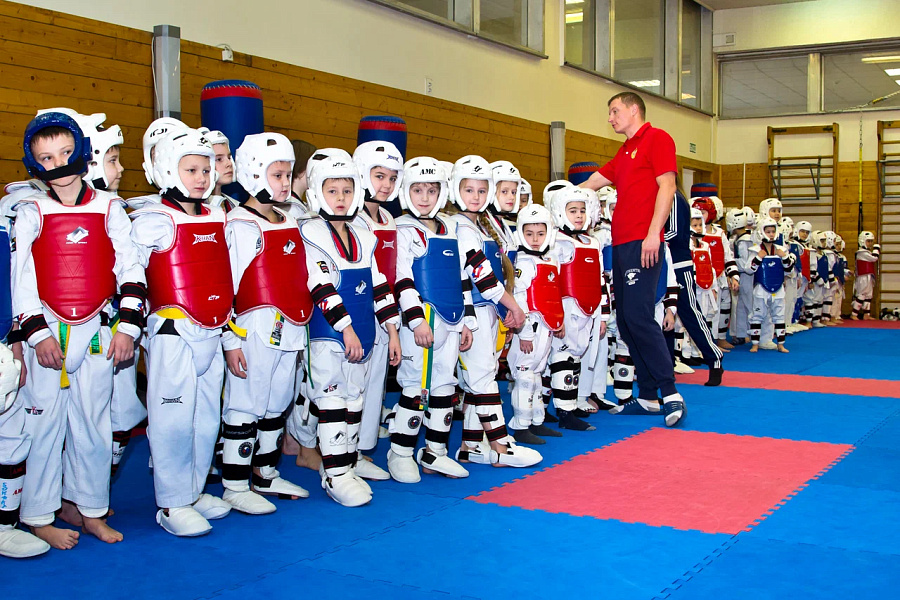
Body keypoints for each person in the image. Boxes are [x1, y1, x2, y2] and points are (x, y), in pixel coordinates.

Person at [14, 111, 146, 548]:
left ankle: (90, 509)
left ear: (82, 153)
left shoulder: (109, 207)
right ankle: (38, 516)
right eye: (47, 158)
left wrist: (127, 326)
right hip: (49, 329)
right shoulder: (31, 210)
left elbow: (130, 266)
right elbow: (21, 277)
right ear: (35, 165)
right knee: (44, 427)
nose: (60, 165)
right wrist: (37, 334)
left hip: (97, 328)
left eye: (66, 153)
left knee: (94, 424)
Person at [131, 128, 234, 537]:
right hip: (173, 329)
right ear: (165, 170)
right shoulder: (152, 219)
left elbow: (225, 279)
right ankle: (171, 503)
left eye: (206, 169)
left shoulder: (217, 214)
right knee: (172, 420)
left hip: (214, 328)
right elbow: (129, 275)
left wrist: (231, 338)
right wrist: (129, 327)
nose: (201, 177)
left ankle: (191, 490)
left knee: (207, 420)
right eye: (190, 169)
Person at [218, 133, 313, 515]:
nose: (285, 183)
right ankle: (235, 484)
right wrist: (230, 339)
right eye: (277, 175)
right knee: (246, 403)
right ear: (255, 174)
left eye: (288, 175)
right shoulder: (241, 223)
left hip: (289, 326)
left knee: (277, 403)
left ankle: (266, 472)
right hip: (254, 325)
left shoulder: (288, 217)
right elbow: (227, 286)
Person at [300, 149, 400, 507]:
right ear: (316, 193)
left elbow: (378, 285)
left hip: (363, 331)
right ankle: (335, 473)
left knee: (355, 400)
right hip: (328, 333)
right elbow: (320, 286)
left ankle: (349, 461)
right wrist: (346, 329)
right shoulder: (310, 232)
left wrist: (392, 330)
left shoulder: (363, 233)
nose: (340, 199)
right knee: (331, 400)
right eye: (332, 191)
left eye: (346, 191)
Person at [580, 92, 686, 426]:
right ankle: (648, 395)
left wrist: (654, 233)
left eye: (614, 111)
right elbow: (595, 181)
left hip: (644, 240)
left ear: (633, 110)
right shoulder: (624, 151)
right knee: (626, 320)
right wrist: (558, 197)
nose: (610, 118)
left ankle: (670, 393)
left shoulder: (657, 139)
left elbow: (667, 186)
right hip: (622, 243)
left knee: (639, 317)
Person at [446, 155, 538, 468]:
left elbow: (496, 276)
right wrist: (515, 308)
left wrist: (504, 307)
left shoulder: (479, 226)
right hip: (470, 311)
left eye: (482, 190)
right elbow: (481, 277)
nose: (476, 197)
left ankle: (471, 445)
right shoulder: (462, 228)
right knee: (482, 378)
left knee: (481, 375)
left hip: (487, 309)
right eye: (469, 190)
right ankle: (499, 446)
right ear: (456, 190)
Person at [386, 156, 473, 482]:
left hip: (450, 319)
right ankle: (401, 452)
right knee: (414, 386)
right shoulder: (405, 228)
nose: (425, 197)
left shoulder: (451, 228)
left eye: (432, 190)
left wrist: (465, 320)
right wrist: (415, 321)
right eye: (418, 190)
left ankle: (435, 452)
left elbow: (460, 276)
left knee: (443, 386)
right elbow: (401, 278)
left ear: (443, 192)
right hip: (421, 320)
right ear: (407, 192)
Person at [352, 140, 404, 482]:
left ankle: (361, 450)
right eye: (378, 176)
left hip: (385, 311)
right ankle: (341, 451)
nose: (384, 185)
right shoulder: (350, 216)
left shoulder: (389, 217)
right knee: (353, 387)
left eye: (390, 178)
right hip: (357, 311)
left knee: (375, 387)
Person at [546, 184, 607, 430]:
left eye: (582, 210)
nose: (579, 215)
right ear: (560, 212)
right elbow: (550, 281)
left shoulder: (592, 242)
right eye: (572, 210)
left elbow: (600, 280)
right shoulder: (556, 242)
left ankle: (565, 404)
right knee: (561, 356)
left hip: (588, 309)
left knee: (575, 357)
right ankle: (563, 411)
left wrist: (603, 314)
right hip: (566, 307)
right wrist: (555, 314)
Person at [507, 203, 566, 444]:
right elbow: (518, 297)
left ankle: (537, 420)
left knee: (538, 373)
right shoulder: (521, 262)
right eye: (529, 233)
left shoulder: (550, 259)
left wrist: (558, 321)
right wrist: (524, 333)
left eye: (540, 233)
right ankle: (521, 426)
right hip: (529, 326)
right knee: (524, 376)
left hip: (546, 326)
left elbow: (555, 293)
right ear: (520, 233)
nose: (534, 239)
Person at [662, 187, 724, 385]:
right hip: (661, 263)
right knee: (664, 315)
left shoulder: (675, 198)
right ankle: (666, 364)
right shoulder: (661, 195)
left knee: (690, 313)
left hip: (679, 264)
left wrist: (649, 235)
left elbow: (676, 233)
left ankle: (714, 358)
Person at [744, 217, 793, 353]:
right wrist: (759, 258)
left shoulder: (781, 250)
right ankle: (755, 344)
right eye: (768, 231)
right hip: (761, 288)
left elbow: (789, 271)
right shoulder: (755, 250)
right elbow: (749, 269)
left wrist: (784, 257)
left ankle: (781, 344)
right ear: (761, 232)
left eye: (773, 231)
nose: (771, 234)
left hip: (778, 288)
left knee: (779, 316)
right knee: (757, 316)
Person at [203, 129, 239, 212]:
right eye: (219, 159)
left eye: (229, 157)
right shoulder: (194, 209)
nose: (229, 163)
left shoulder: (235, 206)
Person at [851, 231, 880, 320]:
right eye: (868, 241)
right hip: (862, 277)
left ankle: (866, 314)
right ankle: (854, 314)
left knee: (868, 295)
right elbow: (874, 258)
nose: (870, 243)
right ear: (862, 241)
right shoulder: (861, 253)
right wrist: (876, 248)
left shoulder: (866, 252)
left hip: (869, 276)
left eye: (871, 241)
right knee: (861, 294)